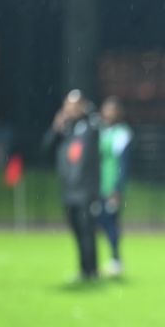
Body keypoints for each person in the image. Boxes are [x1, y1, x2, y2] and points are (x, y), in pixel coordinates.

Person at [43, 89, 101, 281]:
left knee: (87, 232)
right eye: (68, 105)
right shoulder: (66, 130)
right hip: (68, 190)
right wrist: (55, 128)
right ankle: (84, 270)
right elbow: (46, 148)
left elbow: (96, 124)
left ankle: (92, 271)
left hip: (85, 190)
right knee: (76, 231)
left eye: (74, 105)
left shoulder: (90, 125)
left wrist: (87, 110)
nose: (70, 109)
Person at [97, 96, 133, 277]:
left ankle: (116, 259)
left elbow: (123, 163)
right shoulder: (100, 131)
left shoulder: (122, 133)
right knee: (98, 222)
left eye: (112, 110)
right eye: (106, 109)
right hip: (96, 185)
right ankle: (96, 262)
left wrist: (117, 188)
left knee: (110, 222)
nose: (108, 113)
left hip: (111, 186)